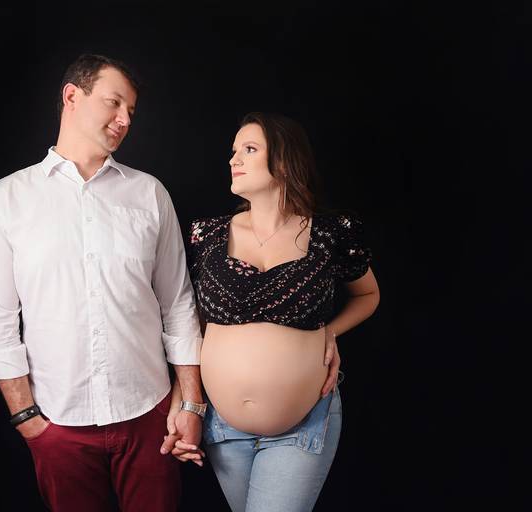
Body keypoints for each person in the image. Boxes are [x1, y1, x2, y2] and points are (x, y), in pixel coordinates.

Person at [0, 53, 206, 512]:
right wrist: (26, 418)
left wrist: (191, 405)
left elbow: (178, 304)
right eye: (113, 102)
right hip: (58, 422)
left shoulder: (149, 194)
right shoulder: (7, 199)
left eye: (131, 111)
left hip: (150, 416)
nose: (124, 120)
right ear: (72, 97)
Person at [162, 112, 381, 511]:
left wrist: (329, 331)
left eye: (249, 149)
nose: (234, 159)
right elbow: (192, 322)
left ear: (283, 160)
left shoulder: (331, 232)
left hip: (303, 423)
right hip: (223, 429)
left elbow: (368, 295)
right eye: (234, 151)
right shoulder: (207, 234)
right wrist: (185, 401)